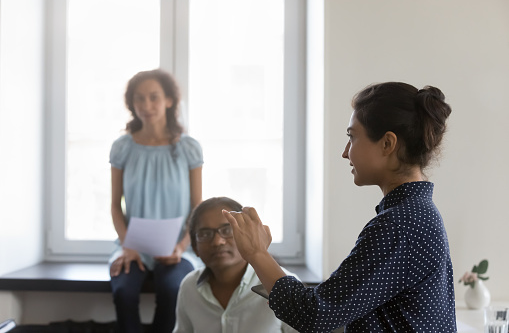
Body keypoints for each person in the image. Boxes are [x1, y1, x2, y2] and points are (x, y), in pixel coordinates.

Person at [223, 82, 456, 332]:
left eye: (352, 137)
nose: (345, 153)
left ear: (388, 144)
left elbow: (315, 315)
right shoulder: (413, 214)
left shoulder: (399, 224)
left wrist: (257, 253)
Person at [109, 69, 203, 333]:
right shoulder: (123, 147)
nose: (146, 105)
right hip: (131, 247)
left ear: (169, 100)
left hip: (178, 248)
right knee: (124, 292)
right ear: (131, 104)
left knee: (174, 289)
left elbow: (198, 208)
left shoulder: (188, 148)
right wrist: (128, 246)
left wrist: (182, 246)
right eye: (139, 99)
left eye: (154, 97)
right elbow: (116, 205)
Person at [173, 197, 298, 333]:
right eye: (205, 234)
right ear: (195, 247)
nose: (217, 242)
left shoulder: (283, 285)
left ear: (247, 235)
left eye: (227, 230)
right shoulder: (189, 286)